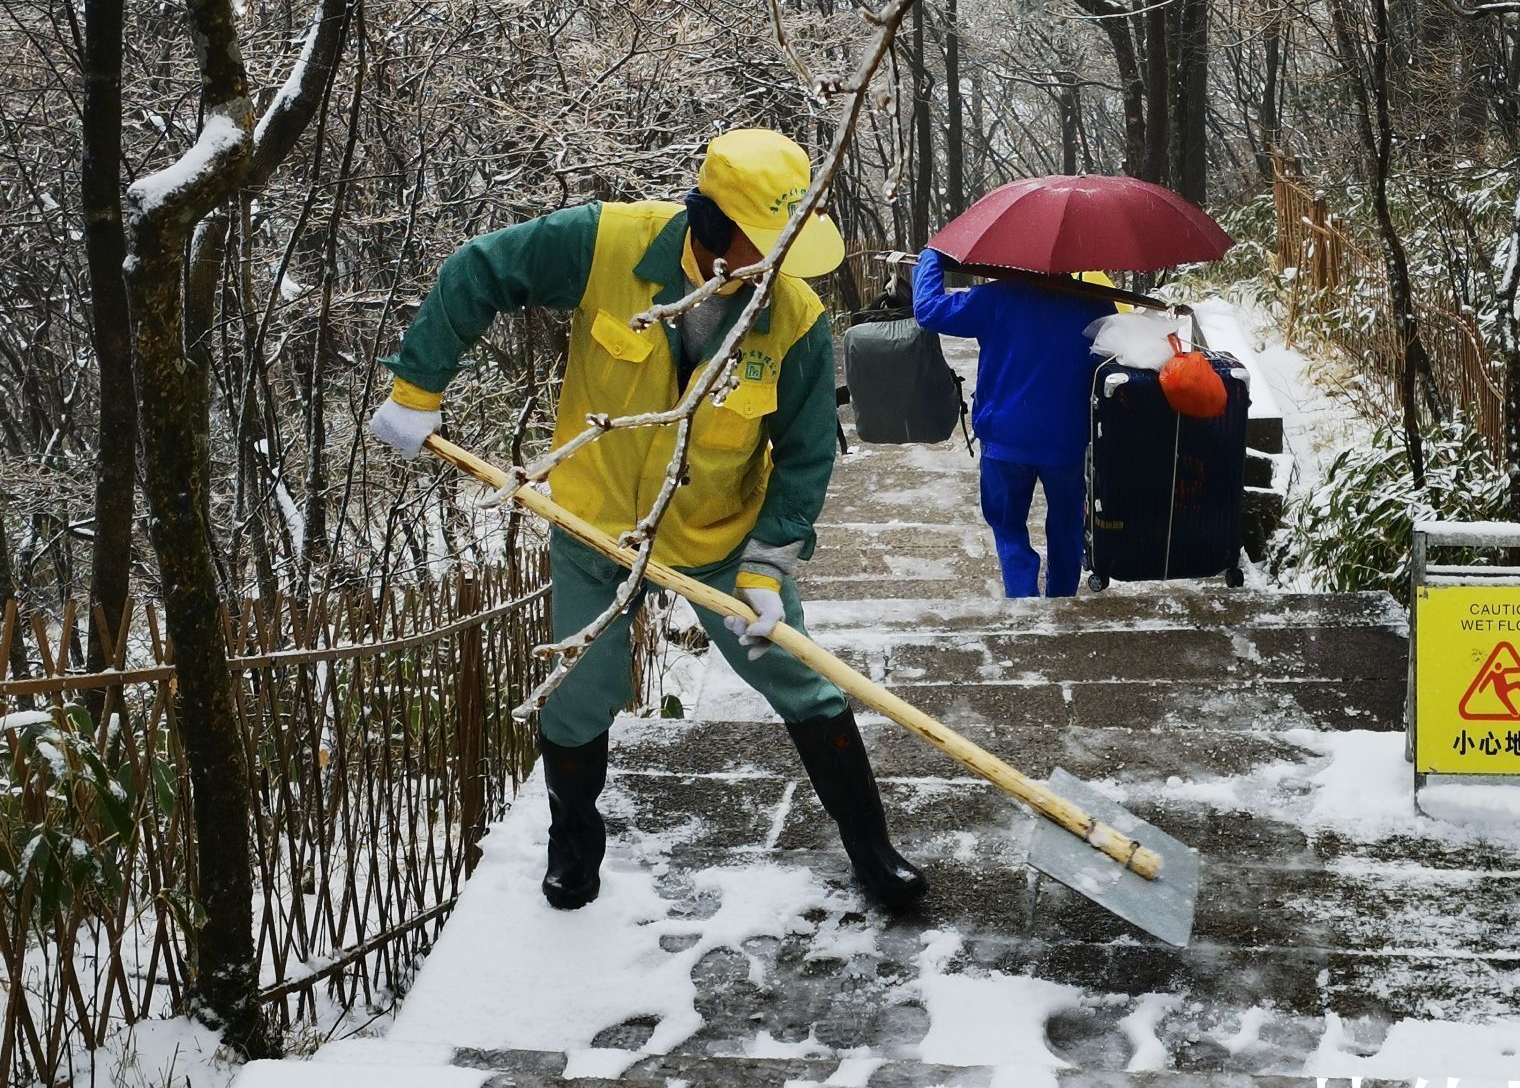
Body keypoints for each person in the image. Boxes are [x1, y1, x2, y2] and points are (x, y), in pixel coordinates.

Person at [368, 128, 926, 911]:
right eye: (762, 243)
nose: (774, 265)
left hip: (720, 536)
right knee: (578, 692)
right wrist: (417, 390)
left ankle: (873, 848)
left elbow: (805, 454)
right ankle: (573, 844)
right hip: (599, 523)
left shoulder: (793, 318)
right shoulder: (606, 245)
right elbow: (479, 270)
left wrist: (768, 563)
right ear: (710, 223)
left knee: (802, 682)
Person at [911, 248, 1112, 598]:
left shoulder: (995, 299)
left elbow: (928, 310)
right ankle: (1062, 599)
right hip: (1068, 440)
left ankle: (1022, 600)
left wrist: (933, 259)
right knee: (1067, 527)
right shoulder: (1094, 305)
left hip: (1006, 440)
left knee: (1008, 527)